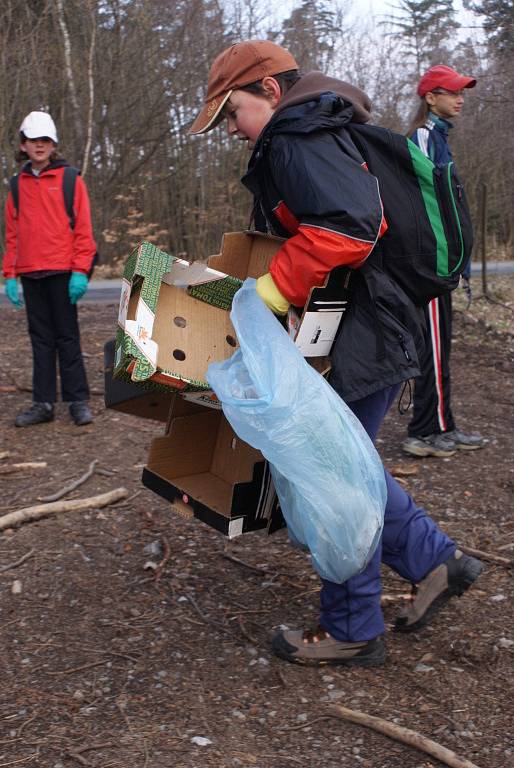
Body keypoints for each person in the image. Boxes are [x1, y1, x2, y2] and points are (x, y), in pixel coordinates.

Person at [189, 40, 484, 667]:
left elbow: (349, 225)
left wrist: (270, 291)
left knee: (332, 474)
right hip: (368, 321)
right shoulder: (319, 127)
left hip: (362, 329)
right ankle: (435, 561)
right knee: (346, 462)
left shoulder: (299, 137)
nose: (232, 132)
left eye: (232, 114)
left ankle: (353, 625)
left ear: (269, 92)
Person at [402, 65, 486, 458]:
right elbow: (421, 204)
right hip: (430, 267)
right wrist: (439, 259)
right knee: (432, 351)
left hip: (443, 265)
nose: (460, 98)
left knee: (441, 349)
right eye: (452, 92)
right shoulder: (422, 137)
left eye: (461, 92)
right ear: (429, 97)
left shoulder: (440, 138)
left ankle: (444, 425)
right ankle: (423, 432)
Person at [2, 111, 95, 427]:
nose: (39, 146)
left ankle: (77, 401)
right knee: (40, 339)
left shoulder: (71, 180)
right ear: (23, 145)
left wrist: (81, 271)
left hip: (62, 272)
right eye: (33, 140)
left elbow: (83, 230)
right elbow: (12, 236)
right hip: (30, 273)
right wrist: (10, 276)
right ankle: (42, 403)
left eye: (45, 140)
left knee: (67, 337)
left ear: (52, 144)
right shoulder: (16, 186)